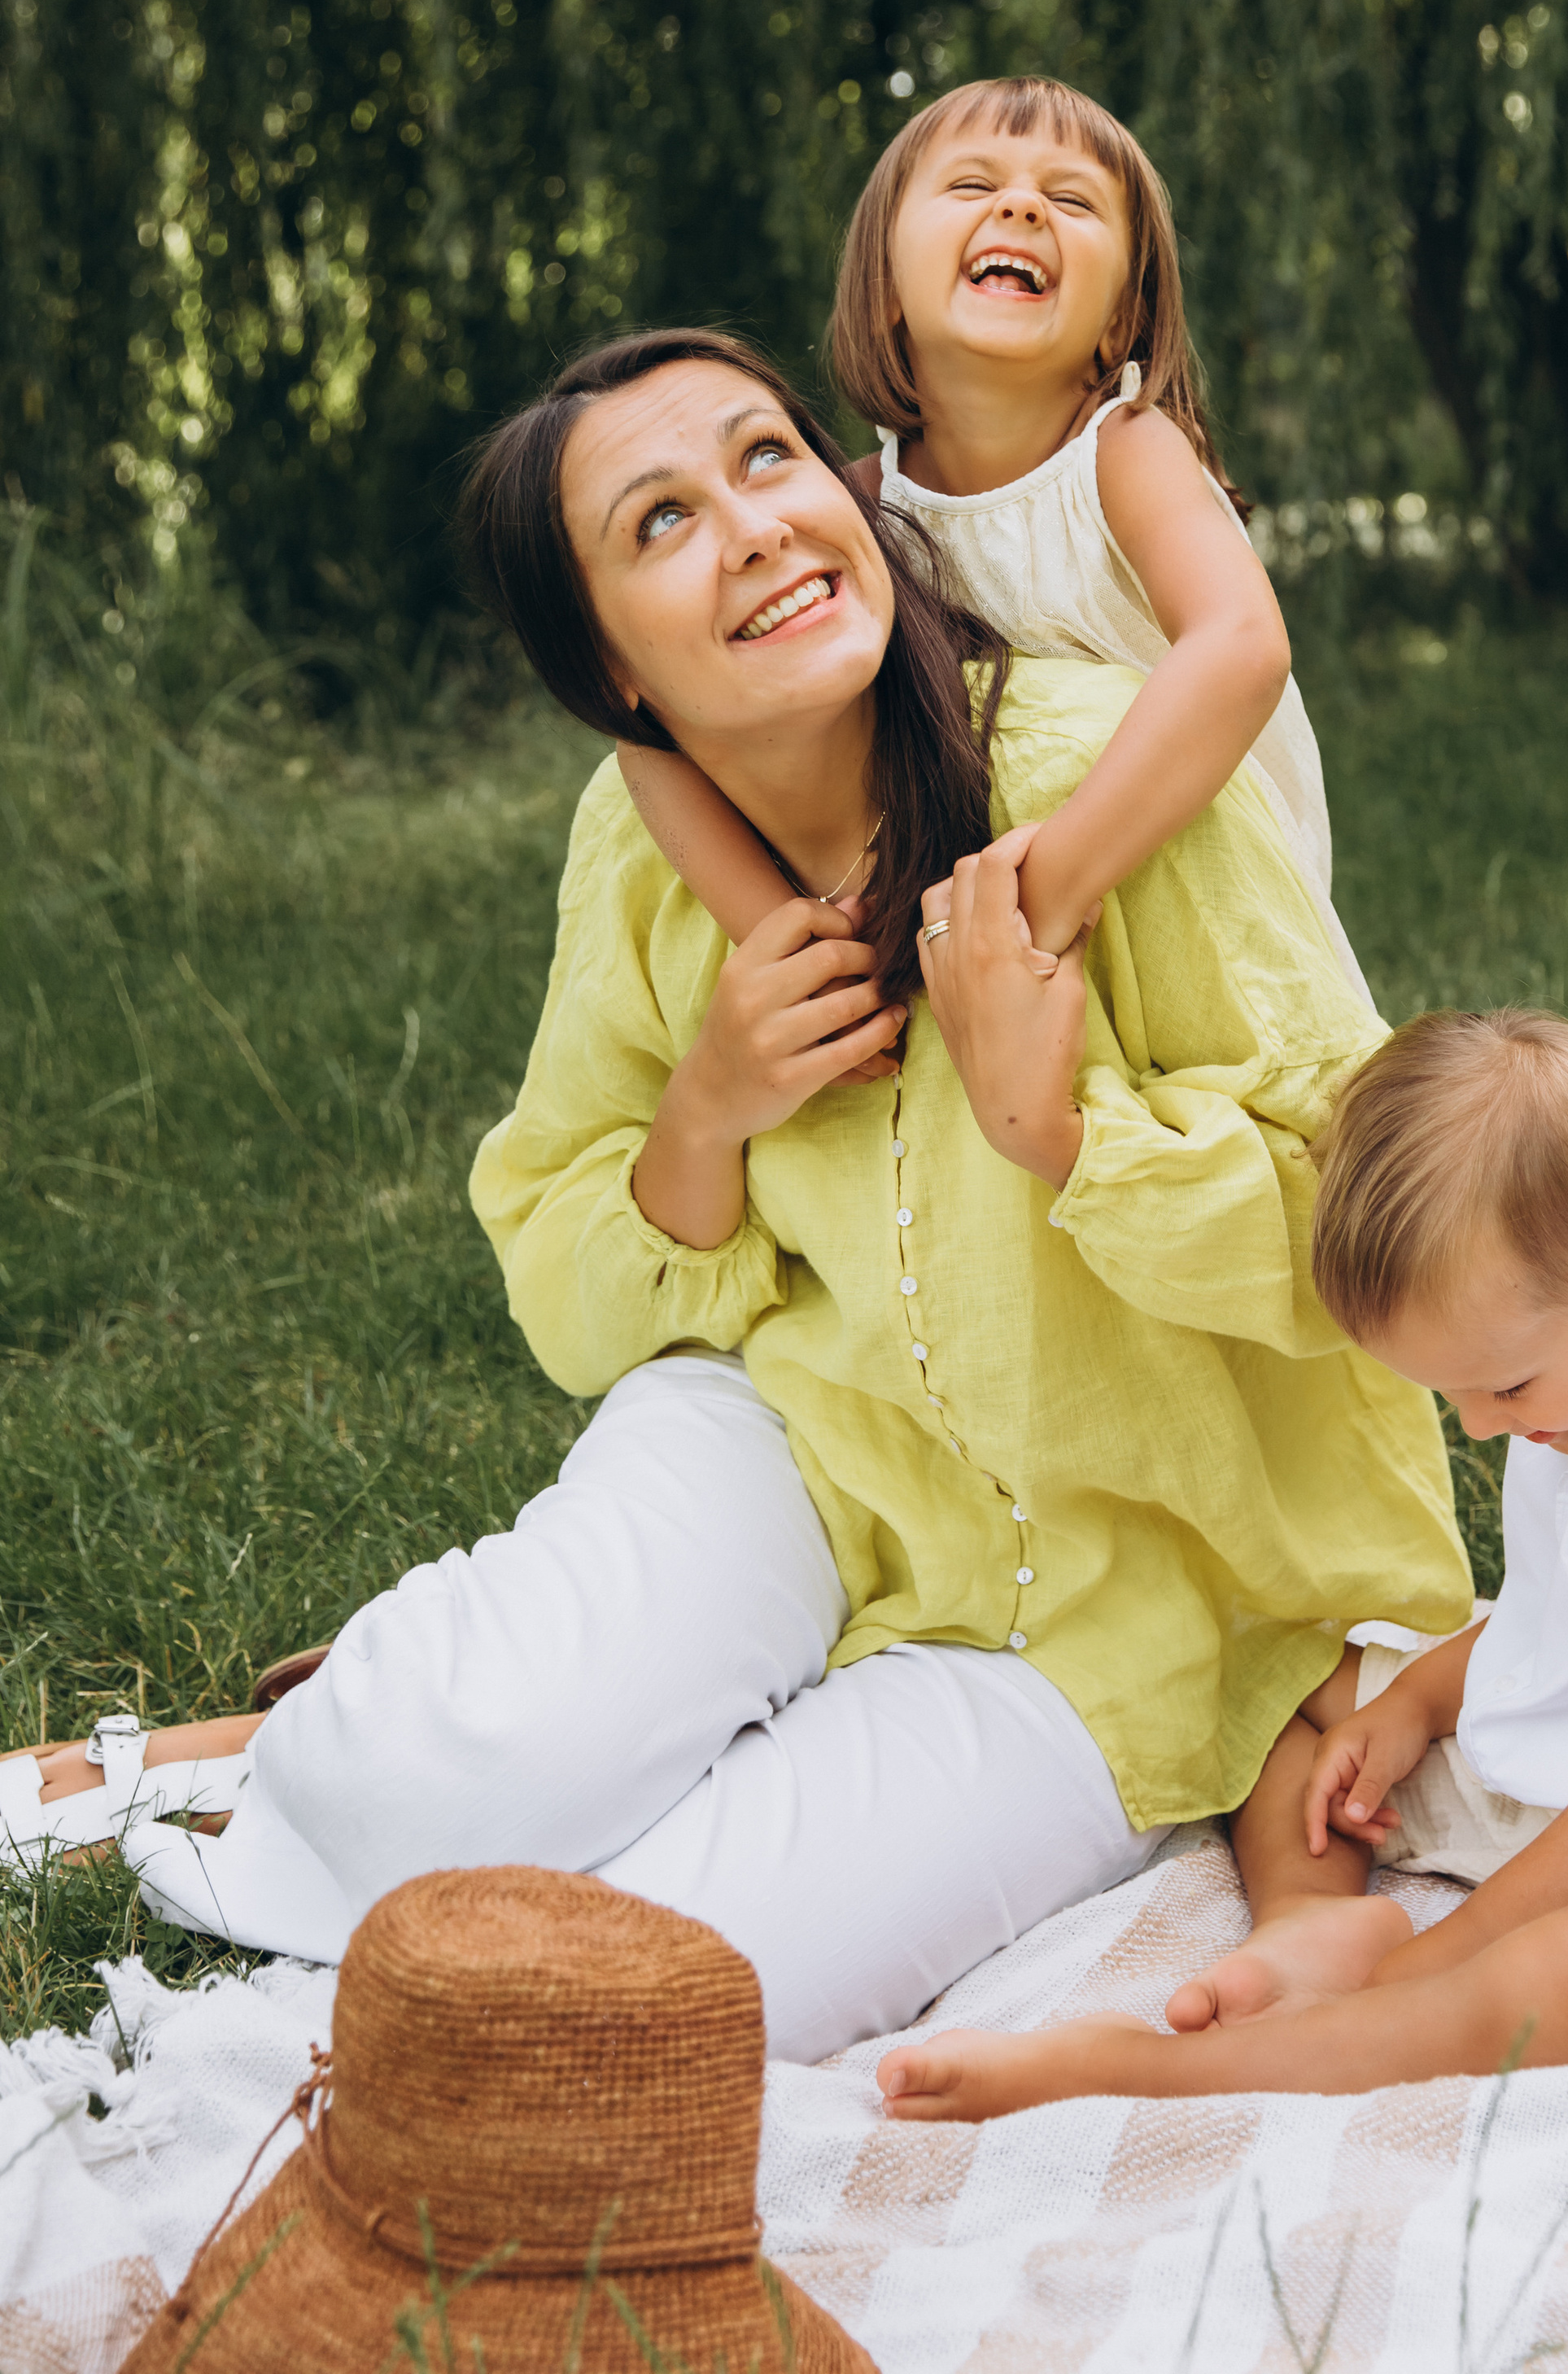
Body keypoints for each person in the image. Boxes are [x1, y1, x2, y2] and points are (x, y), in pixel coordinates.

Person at [2, 330, 1471, 2065]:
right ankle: (299, 1748)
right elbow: (567, 1290)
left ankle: (508, 1716)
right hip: (790, 1448)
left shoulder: (1104, 781)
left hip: (1103, 1610)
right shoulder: (639, 858)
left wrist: (1063, 1134)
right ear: (612, 674)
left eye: (770, 459)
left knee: (642, 1998)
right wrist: (708, 1107)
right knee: (422, 1782)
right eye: (662, 522)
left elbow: (1378, 1253)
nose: (758, 524)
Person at [876, 1008, 1568, 2120]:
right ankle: (1313, 1919)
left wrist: (1463, 1946)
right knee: (1277, 1682)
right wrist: (1417, 1706)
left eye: (1507, 1389)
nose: (1481, 1429)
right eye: (1453, 1396)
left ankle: (1151, 2071)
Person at [616, 74, 1373, 1002]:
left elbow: (1240, 649)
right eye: (973, 188)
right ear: (887, 287)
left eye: (1070, 199)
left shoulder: (1125, 453)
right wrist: (788, 943)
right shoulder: (856, 511)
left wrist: (1052, 887)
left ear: (1121, 322)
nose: (1019, 204)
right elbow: (645, 737)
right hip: (994, 905)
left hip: (1189, 863)